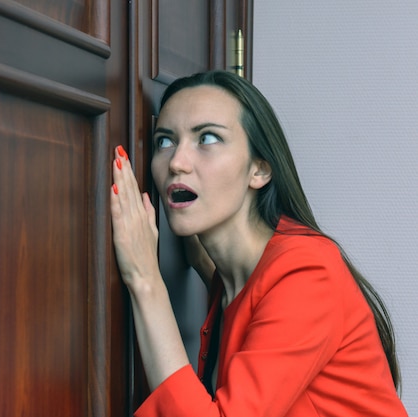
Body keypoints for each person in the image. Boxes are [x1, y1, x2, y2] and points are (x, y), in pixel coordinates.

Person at [110, 70, 408, 416]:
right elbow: (255, 306)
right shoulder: (236, 278)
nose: (176, 162)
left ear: (260, 170)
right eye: (165, 141)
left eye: (207, 138)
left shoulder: (308, 273)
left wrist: (145, 280)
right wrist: (204, 262)